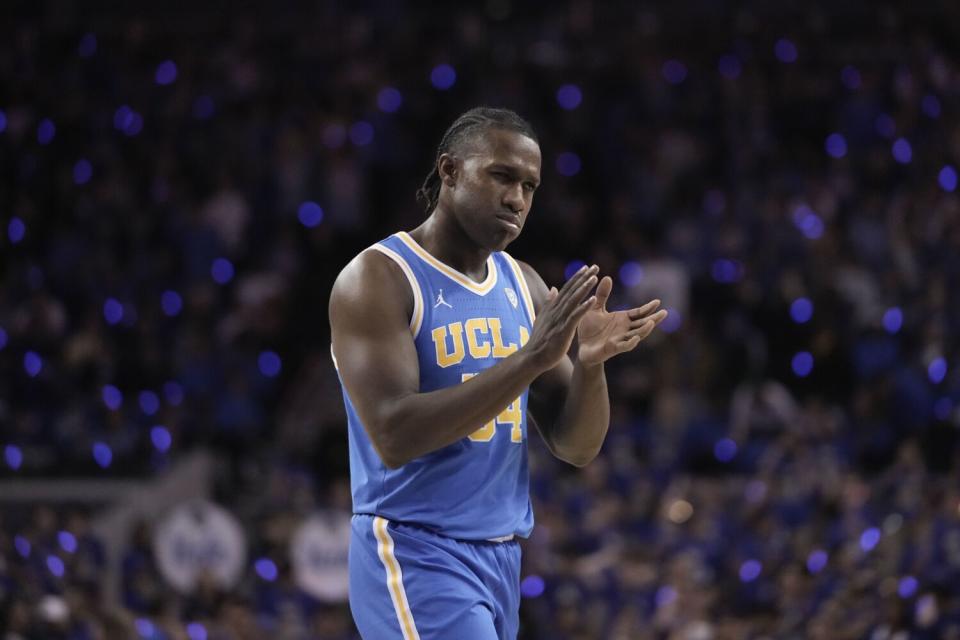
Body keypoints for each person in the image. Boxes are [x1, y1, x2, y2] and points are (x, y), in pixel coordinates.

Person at [328, 106, 667, 640]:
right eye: (502, 176)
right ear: (449, 171)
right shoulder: (379, 278)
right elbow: (394, 433)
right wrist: (531, 357)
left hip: (501, 558)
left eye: (530, 186)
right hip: (415, 549)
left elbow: (574, 446)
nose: (517, 199)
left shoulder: (524, 285)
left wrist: (591, 366)